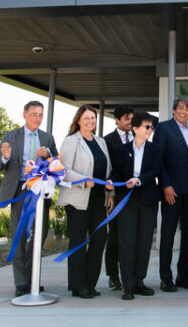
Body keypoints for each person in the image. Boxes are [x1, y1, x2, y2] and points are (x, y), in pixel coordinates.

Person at [0, 101, 58, 297]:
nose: (37, 118)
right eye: (34, 114)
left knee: (41, 234)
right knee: (20, 237)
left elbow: (57, 162)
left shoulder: (47, 137)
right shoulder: (11, 136)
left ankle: (32, 279)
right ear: (24, 115)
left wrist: (49, 155)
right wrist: (4, 157)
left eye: (40, 115)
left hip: (40, 192)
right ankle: (21, 284)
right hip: (20, 192)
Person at [57, 105, 114, 299]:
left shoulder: (100, 142)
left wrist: (110, 187)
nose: (90, 121)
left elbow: (108, 168)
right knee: (78, 242)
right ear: (79, 120)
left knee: (99, 240)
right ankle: (77, 285)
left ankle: (90, 283)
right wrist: (82, 179)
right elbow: (63, 169)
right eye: (87, 118)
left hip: (98, 199)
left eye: (93, 118)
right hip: (77, 200)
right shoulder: (71, 141)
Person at [108, 112, 161, 300]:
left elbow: (154, 171)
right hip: (127, 201)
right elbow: (116, 172)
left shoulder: (155, 149)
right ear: (135, 128)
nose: (149, 130)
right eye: (146, 127)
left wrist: (138, 180)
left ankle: (139, 281)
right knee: (126, 242)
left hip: (147, 200)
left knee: (144, 242)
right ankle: (127, 285)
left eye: (151, 127)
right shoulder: (122, 150)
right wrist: (111, 182)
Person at [154, 97, 188, 292]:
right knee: (168, 234)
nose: (184, 111)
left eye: (187, 109)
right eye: (180, 108)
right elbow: (159, 160)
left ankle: (184, 276)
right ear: (174, 110)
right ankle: (166, 278)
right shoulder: (163, 128)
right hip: (171, 192)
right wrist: (165, 185)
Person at [103, 104, 135, 292]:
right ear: (117, 120)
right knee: (114, 236)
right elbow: (108, 170)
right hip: (116, 194)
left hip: (134, 194)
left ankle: (130, 274)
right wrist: (111, 194)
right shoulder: (108, 140)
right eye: (127, 119)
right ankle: (113, 276)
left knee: (129, 238)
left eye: (132, 118)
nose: (130, 122)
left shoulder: (138, 137)